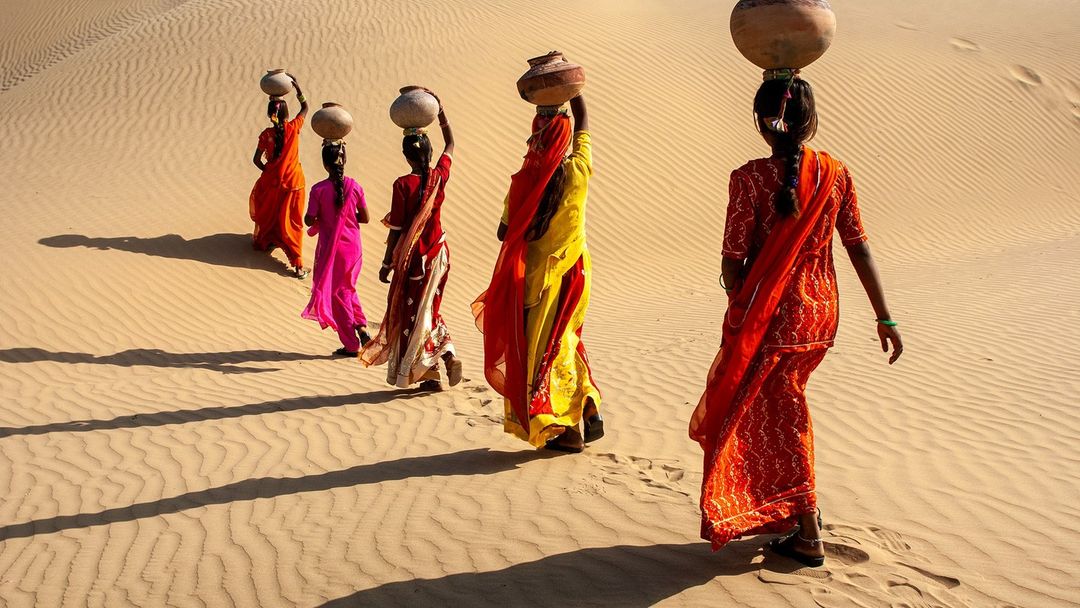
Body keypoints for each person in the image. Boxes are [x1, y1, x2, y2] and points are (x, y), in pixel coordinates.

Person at [688, 70, 904, 568]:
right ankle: (789, 509)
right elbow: (859, 246)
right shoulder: (836, 172)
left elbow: (731, 258)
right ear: (811, 122)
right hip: (820, 316)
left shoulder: (748, 179)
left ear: (762, 124)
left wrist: (739, 297)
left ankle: (806, 528)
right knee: (780, 410)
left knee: (779, 416)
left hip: (772, 320)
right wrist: (885, 317)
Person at [473, 94, 602, 454]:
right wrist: (573, 99)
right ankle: (588, 402)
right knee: (567, 339)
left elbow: (504, 232)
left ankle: (563, 428)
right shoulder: (579, 169)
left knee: (543, 350)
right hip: (576, 272)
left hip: (537, 282)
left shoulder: (523, 181)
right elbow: (585, 131)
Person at [359, 90, 463, 390]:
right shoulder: (438, 177)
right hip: (439, 255)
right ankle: (433, 367)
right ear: (429, 152)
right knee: (429, 309)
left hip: (415, 259)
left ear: (406, 155)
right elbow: (452, 144)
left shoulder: (403, 184)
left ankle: (441, 360)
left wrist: (386, 262)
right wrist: (440, 111)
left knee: (413, 314)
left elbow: (398, 228)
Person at [301, 140, 372, 356]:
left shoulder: (318, 190)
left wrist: (325, 216)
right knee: (347, 288)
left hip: (333, 250)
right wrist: (347, 216)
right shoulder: (355, 186)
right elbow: (365, 218)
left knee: (336, 294)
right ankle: (360, 326)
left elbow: (308, 219)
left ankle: (351, 344)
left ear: (325, 163)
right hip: (354, 248)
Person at [250, 73, 309, 278]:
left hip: (272, 184)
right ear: (286, 113)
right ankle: (298, 264)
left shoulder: (266, 135)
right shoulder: (293, 128)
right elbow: (305, 109)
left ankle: (267, 240)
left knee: (271, 214)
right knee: (293, 222)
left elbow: (256, 160)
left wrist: (269, 172)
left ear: (270, 115)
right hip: (294, 184)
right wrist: (298, 88)